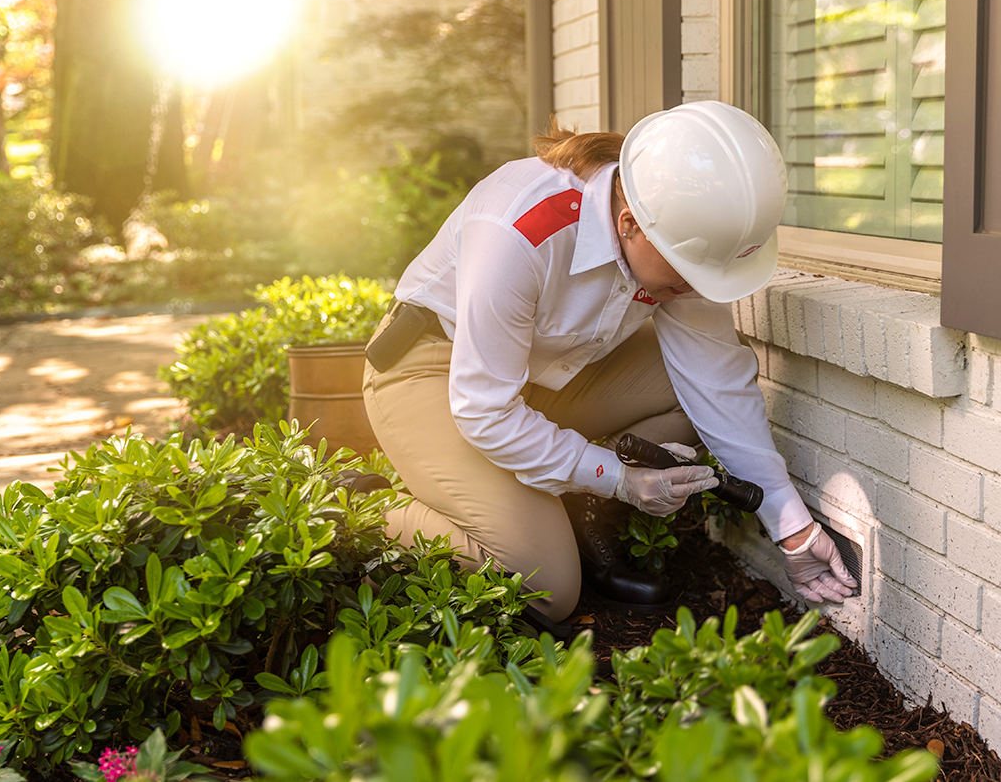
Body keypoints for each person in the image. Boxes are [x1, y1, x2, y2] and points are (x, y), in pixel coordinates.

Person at [362, 101, 857, 626]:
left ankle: (582, 515)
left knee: (690, 391)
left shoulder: (676, 236)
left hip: (539, 378)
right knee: (547, 587)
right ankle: (367, 512)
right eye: (686, 275)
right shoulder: (520, 228)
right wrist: (618, 477)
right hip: (437, 374)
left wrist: (792, 527)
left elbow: (715, 385)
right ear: (628, 224)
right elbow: (484, 411)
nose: (693, 290)